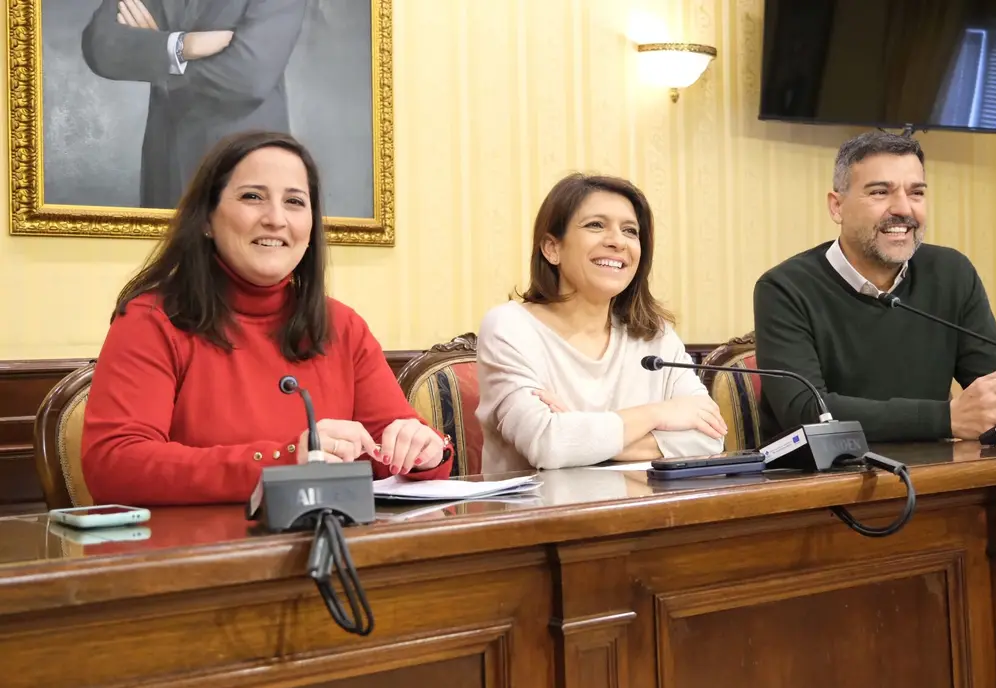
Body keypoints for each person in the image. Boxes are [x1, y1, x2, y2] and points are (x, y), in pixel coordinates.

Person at [81, 130, 453, 505]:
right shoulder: (151, 320)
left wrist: (424, 452)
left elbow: (397, 455)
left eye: (294, 201)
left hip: (329, 547)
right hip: (196, 556)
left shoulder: (342, 325)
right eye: (252, 197)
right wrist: (282, 462)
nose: (276, 219)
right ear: (207, 219)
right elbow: (115, 467)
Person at [753, 130, 996, 443]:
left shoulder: (951, 273)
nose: (904, 209)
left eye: (916, 193)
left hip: (938, 474)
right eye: (879, 192)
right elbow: (806, 411)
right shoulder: (784, 288)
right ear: (837, 207)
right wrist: (945, 418)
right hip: (823, 481)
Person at [476, 173, 727, 473]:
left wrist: (581, 433)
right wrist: (659, 413)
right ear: (551, 248)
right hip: (540, 515)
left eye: (630, 231)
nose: (617, 242)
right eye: (596, 225)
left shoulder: (654, 334)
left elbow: (710, 438)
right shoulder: (509, 327)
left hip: (646, 511)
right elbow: (548, 445)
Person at [81, 0, 305, 209]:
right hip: (167, 164)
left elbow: (248, 78)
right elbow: (100, 46)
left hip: (245, 161)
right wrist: (183, 46)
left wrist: (160, 60)